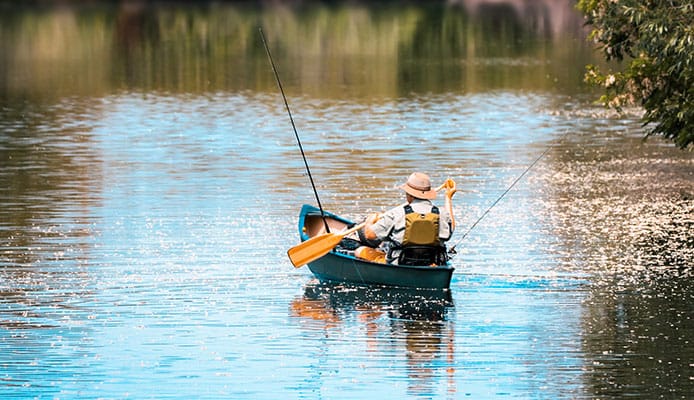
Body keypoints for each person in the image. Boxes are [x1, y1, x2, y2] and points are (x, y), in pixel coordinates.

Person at [354, 172, 456, 265]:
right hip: (433, 263)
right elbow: (451, 228)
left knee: (360, 251)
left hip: (400, 263)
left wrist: (369, 221)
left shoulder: (396, 213)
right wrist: (448, 198)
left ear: (409, 194)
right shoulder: (441, 213)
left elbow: (369, 235)